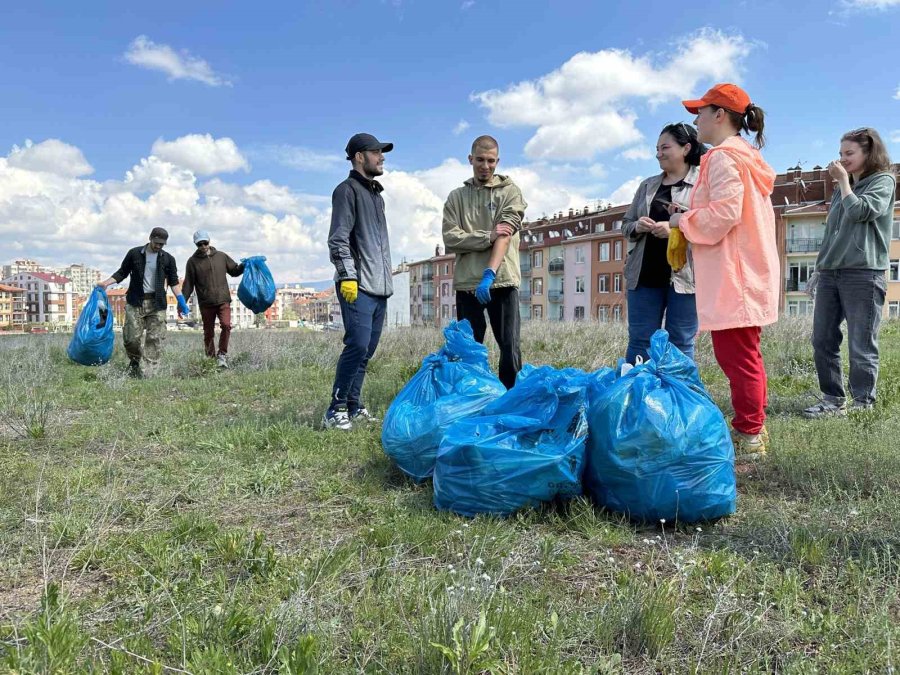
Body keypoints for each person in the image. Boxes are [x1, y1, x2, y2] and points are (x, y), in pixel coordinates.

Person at [668, 83, 779, 460]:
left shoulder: (722, 158)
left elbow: (725, 214)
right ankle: (750, 430)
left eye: (700, 112)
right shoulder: (746, 156)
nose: (695, 119)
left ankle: (749, 436)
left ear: (719, 115)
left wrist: (683, 220)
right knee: (743, 356)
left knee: (738, 358)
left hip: (735, 275)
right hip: (745, 272)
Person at [803, 128, 896, 417]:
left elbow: (862, 212)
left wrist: (844, 183)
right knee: (823, 339)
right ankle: (832, 400)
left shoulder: (883, 181)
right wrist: (819, 269)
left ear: (869, 153)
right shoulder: (842, 188)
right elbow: (831, 233)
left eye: (849, 154)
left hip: (864, 273)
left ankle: (862, 406)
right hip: (832, 273)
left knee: (861, 343)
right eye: (841, 153)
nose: (842, 159)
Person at [442, 135, 527, 389]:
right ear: (470, 159)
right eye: (480, 159)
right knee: (469, 348)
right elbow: (450, 239)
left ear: (497, 161)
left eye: (491, 161)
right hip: (467, 283)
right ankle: (472, 397)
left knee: (509, 346)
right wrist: (486, 236)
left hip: (501, 282)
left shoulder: (510, 192)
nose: (485, 166)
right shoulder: (456, 197)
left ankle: (509, 399)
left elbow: (505, 234)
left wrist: (489, 273)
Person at [324, 133, 395, 431]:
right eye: (376, 152)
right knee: (357, 345)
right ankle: (335, 408)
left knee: (367, 351)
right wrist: (348, 276)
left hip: (379, 288)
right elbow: (338, 238)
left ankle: (354, 406)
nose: (381, 157)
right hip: (358, 285)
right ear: (359, 157)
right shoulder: (346, 191)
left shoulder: (376, 195)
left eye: (382, 152)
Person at [622, 122, 706, 363]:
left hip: (687, 278)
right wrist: (637, 226)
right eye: (656, 148)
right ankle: (636, 396)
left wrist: (675, 231)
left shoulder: (703, 184)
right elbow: (626, 225)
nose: (658, 154)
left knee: (680, 342)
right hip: (644, 275)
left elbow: (712, 227)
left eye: (665, 147)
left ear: (686, 148)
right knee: (639, 341)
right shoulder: (647, 186)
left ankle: (677, 398)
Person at [97, 227, 190, 378]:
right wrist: (106, 283)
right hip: (136, 302)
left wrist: (181, 301)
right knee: (131, 338)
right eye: (156, 242)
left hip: (157, 304)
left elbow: (173, 282)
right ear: (150, 238)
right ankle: (134, 362)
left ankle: (149, 373)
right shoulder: (134, 253)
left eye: (162, 244)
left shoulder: (168, 259)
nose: (158, 246)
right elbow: (122, 273)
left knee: (155, 339)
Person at [180, 230, 245, 368]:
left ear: (209, 241)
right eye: (199, 244)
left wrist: (246, 265)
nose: (203, 246)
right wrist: (182, 302)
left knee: (226, 325)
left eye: (205, 243)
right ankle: (210, 359)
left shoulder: (221, 256)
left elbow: (234, 271)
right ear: (196, 244)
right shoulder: (192, 262)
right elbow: (188, 285)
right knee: (208, 332)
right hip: (206, 303)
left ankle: (222, 355)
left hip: (223, 300)